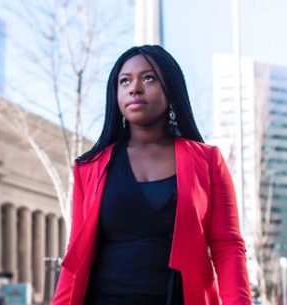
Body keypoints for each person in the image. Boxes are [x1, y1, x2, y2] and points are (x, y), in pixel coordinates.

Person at [52, 45, 252, 305]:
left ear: (171, 87)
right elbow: (76, 254)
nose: (134, 88)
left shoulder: (208, 161)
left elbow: (227, 247)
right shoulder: (88, 167)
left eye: (148, 78)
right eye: (125, 81)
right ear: (115, 93)